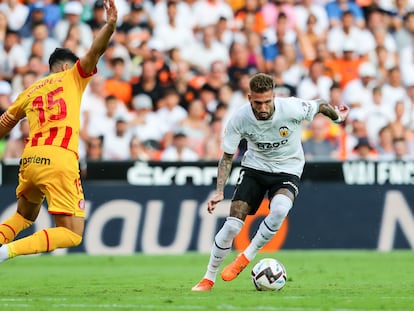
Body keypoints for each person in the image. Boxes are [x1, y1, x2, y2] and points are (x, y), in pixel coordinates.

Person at [191, 73, 349, 291]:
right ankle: (208, 278)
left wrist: (337, 118)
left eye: (267, 101)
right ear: (249, 98)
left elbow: (320, 104)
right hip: (255, 168)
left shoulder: (292, 108)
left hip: (288, 169)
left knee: (280, 208)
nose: (263, 107)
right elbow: (227, 157)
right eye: (258, 103)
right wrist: (219, 191)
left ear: (274, 96)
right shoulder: (239, 118)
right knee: (231, 226)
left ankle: (246, 256)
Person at [0, 0, 118, 263]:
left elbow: (6, 123)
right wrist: (109, 27)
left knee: (23, 217)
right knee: (72, 234)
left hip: (30, 159)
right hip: (59, 158)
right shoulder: (73, 76)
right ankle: (7, 252)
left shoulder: (29, 90)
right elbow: (95, 51)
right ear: (66, 66)